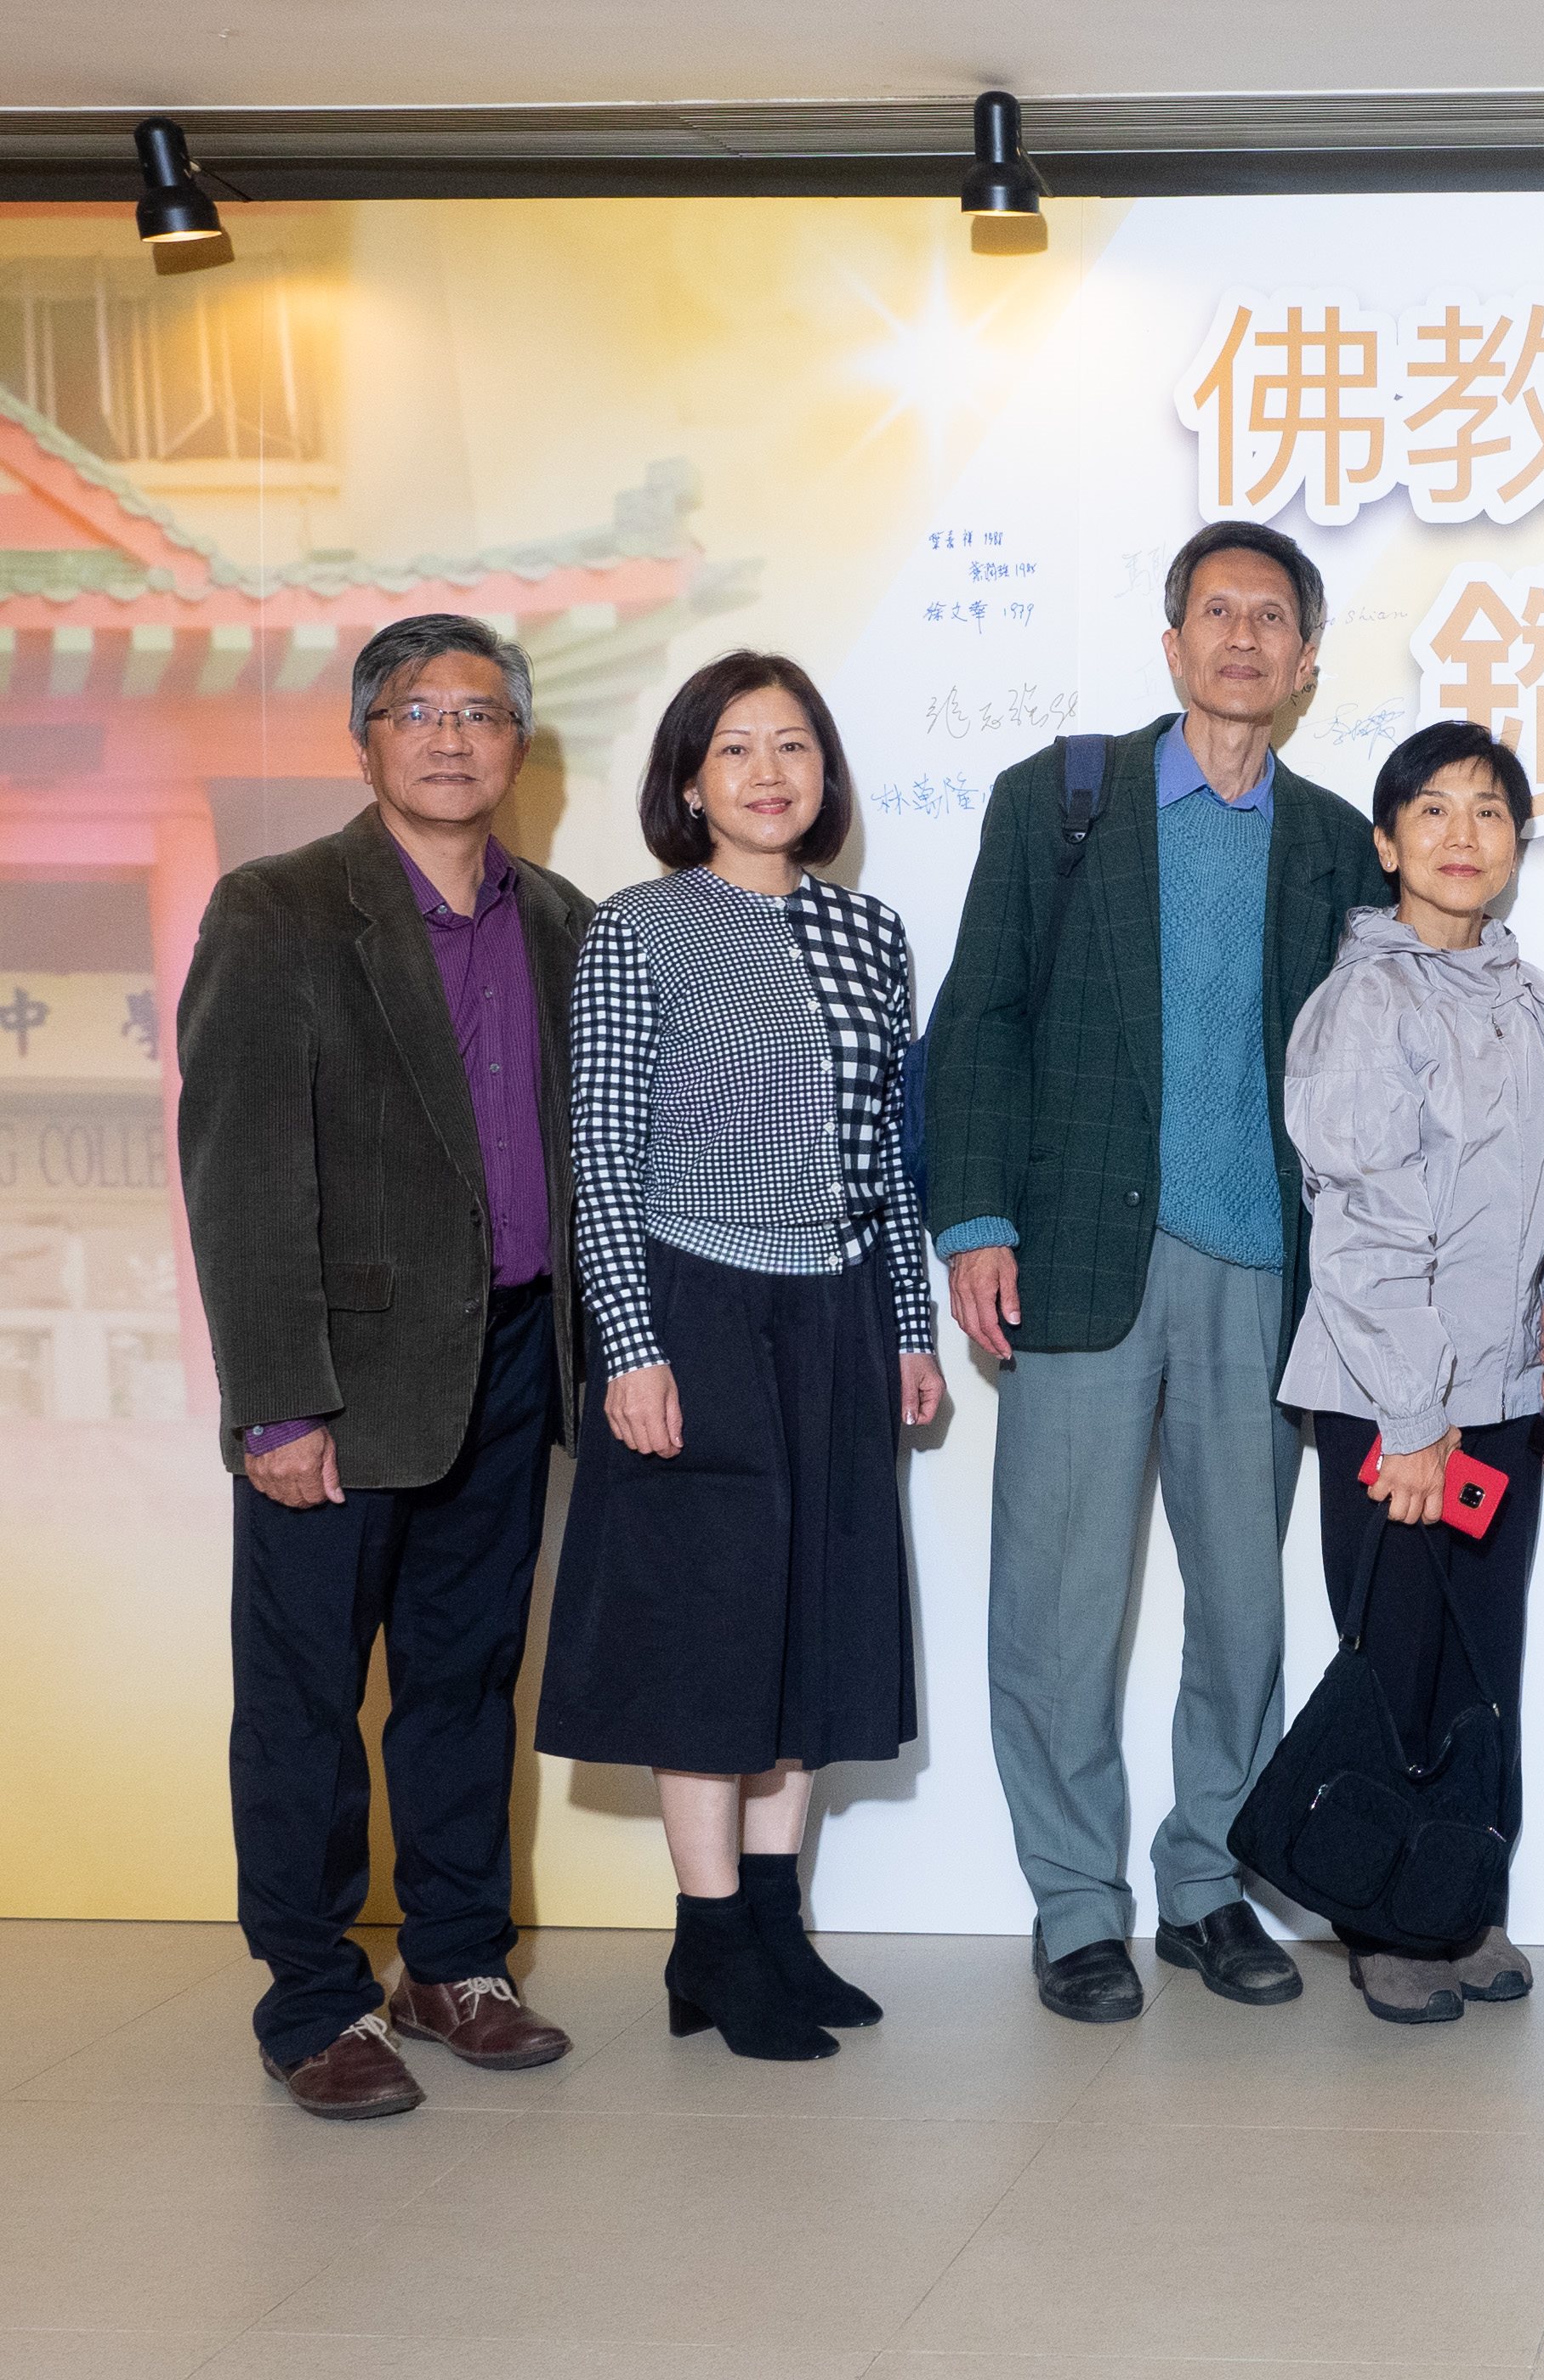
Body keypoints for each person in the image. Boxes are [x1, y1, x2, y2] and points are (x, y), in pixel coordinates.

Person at [922, 522, 1390, 2022]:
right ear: (1174, 643)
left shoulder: (1335, 841)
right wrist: (973, 1220)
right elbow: (980, 1018)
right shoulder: (1061, 799)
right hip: (1075, 1259)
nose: (1244, 638)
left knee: (1244, 1612)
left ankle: (1205, 1883)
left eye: (1274, 618)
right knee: (1060, 1608)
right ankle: (1075, 1902)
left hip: (1264, 1272)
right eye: (1218, 612)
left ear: (1306, 663)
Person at [176, 613, 588, 2119]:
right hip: (338, 1385)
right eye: (416, 712)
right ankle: (310, 1999)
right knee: (304, 1699)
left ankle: (455, 1963)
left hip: (513, 1361)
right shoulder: (280, 909)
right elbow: (239, 1172)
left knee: (465, 1683)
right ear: (364, 742)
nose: (449, 738)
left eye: (479, 713)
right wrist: (277, 1403)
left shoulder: (563, 921)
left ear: (517, 744)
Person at [535, 651, 945, 2060]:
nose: (769, 773)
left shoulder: (871, 932)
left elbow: (887, 1156)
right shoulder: (639, 930)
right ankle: (708, 1936)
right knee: (709, 1634)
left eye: (793, 746)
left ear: (825, 772)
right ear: (691, 783)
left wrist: (907, 1326)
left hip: (836, 1310)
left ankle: (773, 1926)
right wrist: (630, 1345)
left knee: (812, 1623)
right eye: (735, 749)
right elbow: (599, 1153)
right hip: (694, 1301)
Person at [1278, 722, 1544, 2025]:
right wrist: (1411, 1417)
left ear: (1517, 844)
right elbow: (1359, 1227)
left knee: (1477, 1668)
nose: (1464, 836)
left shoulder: (1535, 999)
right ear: (1388, 842)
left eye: (1491, 812)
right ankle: (1378, 1919)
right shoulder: (1366, 1002)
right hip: (1388, 1403)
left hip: (1500, 1401)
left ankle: (1456, 1904)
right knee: (1393, 1663)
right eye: (1435, 810)